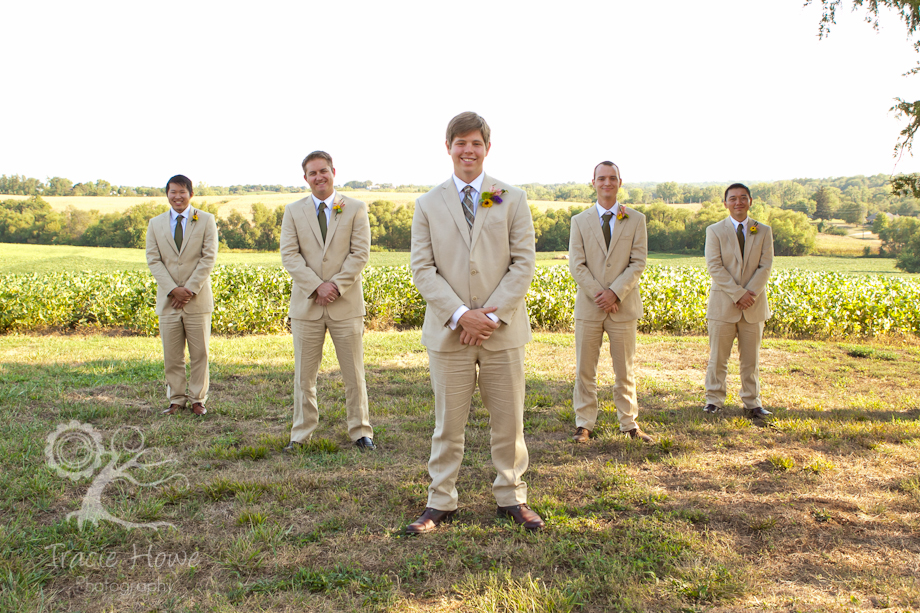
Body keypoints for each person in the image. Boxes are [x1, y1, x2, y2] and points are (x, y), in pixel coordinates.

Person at [406, 111, 543, 534]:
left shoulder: (511, 197)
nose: (468, 150)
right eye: (460, 142)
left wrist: (490, 316)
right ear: (448, 147)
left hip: (502, 331)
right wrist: (461, 315)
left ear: (487, 147)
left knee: (509, 421)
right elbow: (422, 268)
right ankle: (441, 500)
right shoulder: (428, 203)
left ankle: (512, 496)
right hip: (450, 332)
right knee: (448, 423)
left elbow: (523, 263)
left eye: (476, 143)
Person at [280, 151, 375, 451]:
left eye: (323, 171)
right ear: (305, 177)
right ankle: (301, 433)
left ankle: (360, 431)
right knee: (303, 376)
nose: (319, 177)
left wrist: (334, 286)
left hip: (345, 304)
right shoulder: (293, 211)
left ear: (333, 171)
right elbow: (290, 256)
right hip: (307, 306)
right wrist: (316, 286)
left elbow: (360, 253)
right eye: (312, 173)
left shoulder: (355, 208)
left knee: (354, 373)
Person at [568, 161, 654, 443]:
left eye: (612, 178)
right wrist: (600, 294)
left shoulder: (636, 219)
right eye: (601, 178)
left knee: (624, 369)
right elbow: (577, 265)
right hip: (590, 306)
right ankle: (584, 424)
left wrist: (615, 293)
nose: (607, 183)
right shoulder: (579, 221)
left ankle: (629, 424)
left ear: (620, 182)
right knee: (585, 369)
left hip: (623, 306)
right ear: (593, 182)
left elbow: (638, 262)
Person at [145, 174, 218, 417]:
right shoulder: (155, 224)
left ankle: (198, 399)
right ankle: (176, 399)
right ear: (167, 194)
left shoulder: (206, 220)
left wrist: (189, 290)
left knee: (200, 354)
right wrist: (172, 289)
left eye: (182, 192)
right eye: (173, 192)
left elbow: (209, 257)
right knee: (172, 355)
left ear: (191, 194)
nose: (177, 196)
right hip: (168, 302)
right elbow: (153, 260)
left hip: (197, 300)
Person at [703, 183, 774, 418]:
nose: (738, 202)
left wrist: (749, 294)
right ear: (725, 204)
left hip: (753, 305)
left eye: (743, 198)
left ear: (750, 201)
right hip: (723, 305)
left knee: (751, 360)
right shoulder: (714, 231)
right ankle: (714, 400)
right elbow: (714, 266)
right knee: (718, 358)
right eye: (732, 199)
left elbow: (765, 266)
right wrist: (737, 294)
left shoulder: (763, 231)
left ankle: (752, 403)